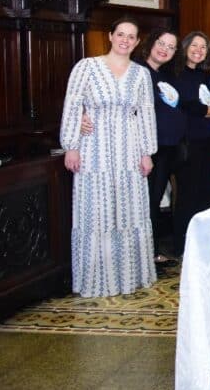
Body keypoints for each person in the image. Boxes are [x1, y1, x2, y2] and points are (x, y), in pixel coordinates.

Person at [60, 17, 158, 297]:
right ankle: (97, 279)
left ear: (137, 42)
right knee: (98, 212)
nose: (125, 40)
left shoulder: (141, 74)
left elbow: (146, 113)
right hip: (94, 150)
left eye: (131, 36)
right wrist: (72, 144)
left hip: (129, 150)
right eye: (121, 34)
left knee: (129, 211)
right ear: (110, 36)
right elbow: (73, 104)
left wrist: (146, 152)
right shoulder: (87, 67)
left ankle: (129, 276)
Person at [176, 32, 210, 254]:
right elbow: (193, 107)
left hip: (207, 141)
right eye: (194, 46)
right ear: (185, 47)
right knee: (188, 194)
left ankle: (202, 243)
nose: (198, 50)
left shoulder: (202, 75)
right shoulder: (179, 74)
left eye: (203, 47)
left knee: (205, 192)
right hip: (189, 142)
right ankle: (183, 244)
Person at [137, 30, 184, 265]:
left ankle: (152, 250)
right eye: (161, 43)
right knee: (148, 200)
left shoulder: (163, 75)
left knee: (154, 200)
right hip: (148, 149)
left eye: (171, 46)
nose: (164, 48)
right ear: (150, 43)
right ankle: (147, 253)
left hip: (166, 148)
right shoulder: (137, 71)